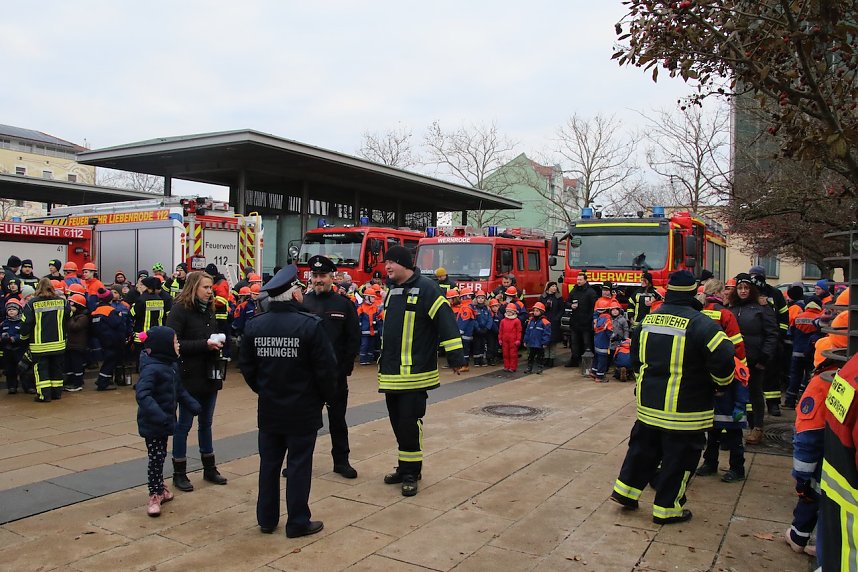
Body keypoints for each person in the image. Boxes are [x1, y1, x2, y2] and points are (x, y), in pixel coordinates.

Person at [610, 270, 735, 525]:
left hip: (648, 406)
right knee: (679, 460)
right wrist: (720, 384)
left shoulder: (648, 320)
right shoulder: (703, 325)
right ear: (694, 293)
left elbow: (635, 359)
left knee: (643, 449)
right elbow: (724, 360)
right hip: (685, 411)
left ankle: (625, 493)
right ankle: (667, 510)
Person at [239, 265, 337, 538]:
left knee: (269, 464)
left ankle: (267, 519)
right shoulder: (310, 326)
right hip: (302, 410)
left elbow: (247, 367)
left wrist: (264, 389)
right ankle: (297, 522)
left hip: (270, 408)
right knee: (298, 466)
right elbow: (326, 372)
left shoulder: (255, 325)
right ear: (294, 295)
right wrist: (324, 398)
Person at [377, 246, 465, 497]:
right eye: (386, 263)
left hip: (415, 374)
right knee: (397, 423)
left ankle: (411, 473)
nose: (388, 267)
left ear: (406, 264)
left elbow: (446, 321)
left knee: (409, 423)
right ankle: (404, 465)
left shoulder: (428, 288)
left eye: (392, 262)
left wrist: (456, 356)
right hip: (392, 373)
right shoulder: (392, 290)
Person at [298, 255, 361, 479]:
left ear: (331, 277)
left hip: (335, 376)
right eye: (315, 276)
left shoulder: (344, 304)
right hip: (309, 377)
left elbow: (353, 338)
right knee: (305, 424)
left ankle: (341, 462)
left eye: (322, 275)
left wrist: (344, 368)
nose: (318, 280)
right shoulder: (303, 304)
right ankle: (300, 463)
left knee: (337, 421)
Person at [166, 271, 228, 492]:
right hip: (189, 376)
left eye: (211, 288)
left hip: (210, 373)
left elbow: (212, 334)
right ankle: (179, 472)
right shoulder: (180, 310)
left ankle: (209, 468)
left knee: (207, 423)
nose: (210, 292)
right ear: (194, 288)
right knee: (184, 424)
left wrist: (218, 343)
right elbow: (174, 343)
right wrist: (205, 344)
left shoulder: (209, 311)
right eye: (206, 288)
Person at [136, 326, 201, 517]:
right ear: (164, 346)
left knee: (160, 455)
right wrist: (160, 416)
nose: (178, 345)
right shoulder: (152, 369)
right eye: (175, 342)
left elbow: (178, 389)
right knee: (155, 459)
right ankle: (155, 494)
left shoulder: (170, 366)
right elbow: (143, 395)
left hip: (164, 422)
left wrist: (192, 404)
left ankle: (160, 488)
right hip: (154, 423)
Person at [696, 279, 750, 483]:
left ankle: (710, 463)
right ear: (721, 293)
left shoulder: (697, 314)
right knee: (733, 430)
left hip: (704, 377)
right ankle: (737, 468)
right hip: (727, 377)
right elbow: (738, 348)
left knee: (712, 427)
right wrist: (742, 377)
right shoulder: (726, 315)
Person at [727, 273, 779, 445]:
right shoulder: (731, 308)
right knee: (734, 393)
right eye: (740, 288)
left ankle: (757, 427)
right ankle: (733, 427)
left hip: (755, 359)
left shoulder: (761, 308)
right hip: (735, 360)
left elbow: (772, 334)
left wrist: (764, 357)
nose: (743, 291)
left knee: (756, 393)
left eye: (746, 288)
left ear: (752, 290)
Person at [20, 278, 70, 403]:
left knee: (41, 370)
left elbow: (26, 323)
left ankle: (44, 395)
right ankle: (56, 393)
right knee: (56, 369)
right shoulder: (62, 302)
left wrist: (23, 338)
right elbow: (68, 317)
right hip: (58, 344)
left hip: (40, 345)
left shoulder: (32, 303)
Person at [748, 265, 789, 416]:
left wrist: (781, 336)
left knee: (772, 374)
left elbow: (784, 315)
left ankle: (773, 404)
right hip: (755, 341)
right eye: (752, 276)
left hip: (772, 341)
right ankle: (752, 408)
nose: (754, 279)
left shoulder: (775, 293)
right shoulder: (749, 293)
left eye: (756, 276)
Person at [90, 288, 127, 391]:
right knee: (110, 362)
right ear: (110, 300)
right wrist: (120, 317)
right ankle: (102, 382)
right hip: (112, 340)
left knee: (107, 361)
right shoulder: (110, 310)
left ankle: (102, 380)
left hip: (101, 340)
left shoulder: (95, 311)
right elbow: (116, 323)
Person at [563, 272, 597, 368]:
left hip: (586, 323)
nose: (578, 281)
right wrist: (571, 305)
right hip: (575, 322)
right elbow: (567, 302)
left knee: (587, 343)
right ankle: (574, 360)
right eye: (577, 280)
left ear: (585, 280)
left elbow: (594, 307)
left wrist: (590, 319)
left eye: (580, 280)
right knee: (574, 343)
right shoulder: (574, 290)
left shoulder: (591, 292)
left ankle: (588, 362)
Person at [64, 294, 90, 392]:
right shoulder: (76, 316)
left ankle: (77, 383)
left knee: (77, 365)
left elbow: (75, 327)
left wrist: (69, 318)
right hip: (71, 345)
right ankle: (70, 381)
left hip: (78, 346)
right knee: (70, 365)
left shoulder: (83, 317)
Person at [1, 299, 25, 394]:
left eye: (14, 309)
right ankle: (12, 386)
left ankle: (28, 386)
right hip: (7, 349)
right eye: (9, 309)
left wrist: (13, 338)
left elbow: (23, 335)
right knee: (9, 370)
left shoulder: (22, 322)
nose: (11, 311)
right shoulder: (4, 323)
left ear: (18, 310)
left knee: (23, 369)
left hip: (19, 349)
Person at [539, 282, 565, 368]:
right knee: (546, 340)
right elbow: (539, 308)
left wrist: (557, 318)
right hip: (545, 320)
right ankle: (546, 357)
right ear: (548, 287)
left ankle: (551, 358)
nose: (554, 288)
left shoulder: (558, 297)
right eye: (552, 286)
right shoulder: (543, 297)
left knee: (553, 340)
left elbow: (562, 309)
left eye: (555, 286)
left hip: (554, 322)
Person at [523, 302, 551, 375]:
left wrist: (545, 342)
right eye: (534, 311)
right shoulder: (531, 321)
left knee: (540, 357)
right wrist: (525, 341)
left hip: (540, 344)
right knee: (530, 356)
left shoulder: (545, 322)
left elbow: (547, 334)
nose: (535, 312)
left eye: (537, 311)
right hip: (532, 343)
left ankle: (540, 368)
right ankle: (529, 368)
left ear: (541, 312)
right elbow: (527, 332)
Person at [499, 303, 522, 372]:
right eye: (507, 311)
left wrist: (518, 340)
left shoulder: (517, 321)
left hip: (513, 340)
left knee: (513, 354)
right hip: (505, 340)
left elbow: (519, 331)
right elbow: (500, 331)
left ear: (514, 312)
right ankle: (506, 366)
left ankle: (512, 367)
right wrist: (500, 339)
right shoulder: (503, 321)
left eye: (510, 311)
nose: (508, 313)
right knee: (505, 354)